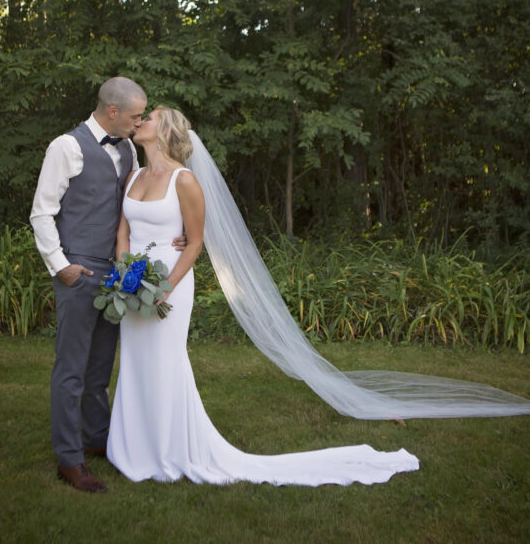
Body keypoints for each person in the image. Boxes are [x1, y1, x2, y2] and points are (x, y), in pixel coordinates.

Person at [106, 107, 420, 485]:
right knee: (136, 361)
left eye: (151, 117)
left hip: (169, 285)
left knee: (164, 361)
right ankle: (134, 447)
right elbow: (124, 232)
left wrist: (166, 286)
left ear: (166, 131)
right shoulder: (134, 175)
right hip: (132, 284)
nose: (141, 121)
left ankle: (171, 449)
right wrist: (127, 276)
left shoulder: (184, 181)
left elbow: (195, 242)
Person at [30, 77, 185, 493]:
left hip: (117, 275)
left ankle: (97, 440)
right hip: (79, 274)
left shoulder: (129, 150)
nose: (140, 123)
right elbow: (42, 213)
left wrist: (175, 234)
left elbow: (135, 207)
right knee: (71, 371)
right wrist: (61, 266)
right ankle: (69, 459)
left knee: (100, 369)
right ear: (112, 111)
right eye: (136, 115)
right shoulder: (65, 147)